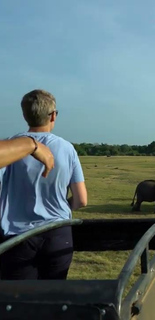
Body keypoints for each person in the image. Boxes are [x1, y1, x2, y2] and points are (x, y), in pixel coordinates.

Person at [0, 89, 88, 280]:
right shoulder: (67, 148)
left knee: (19, 301)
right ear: (53, 115)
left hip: (16, 236)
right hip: (58, 234)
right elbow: (81, 200)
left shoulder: (9, 146)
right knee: (54, 296)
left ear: (25, 115)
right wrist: (63, 206)